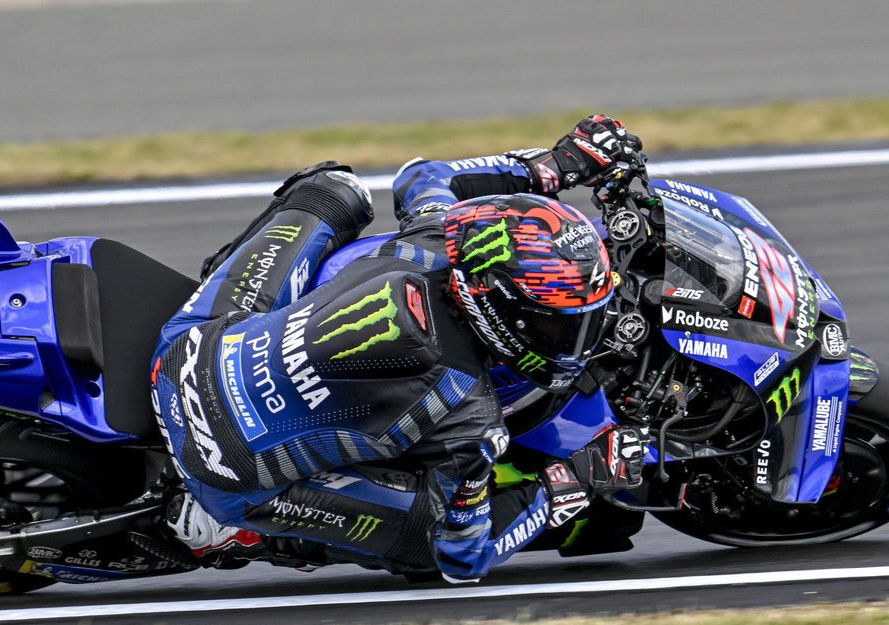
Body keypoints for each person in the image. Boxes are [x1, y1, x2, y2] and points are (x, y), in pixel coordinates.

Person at [150, 115, 648, 583]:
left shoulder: (433, 237)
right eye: (556, 323)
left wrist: (555, 164)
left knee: (332, 189)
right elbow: (465, 558)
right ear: (499, 307)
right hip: (223, 472)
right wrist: (574, 479)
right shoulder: (469, 417)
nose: (574, 334)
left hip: (187, 346)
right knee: (427, 540)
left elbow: (422, 175)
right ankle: (240, 532)